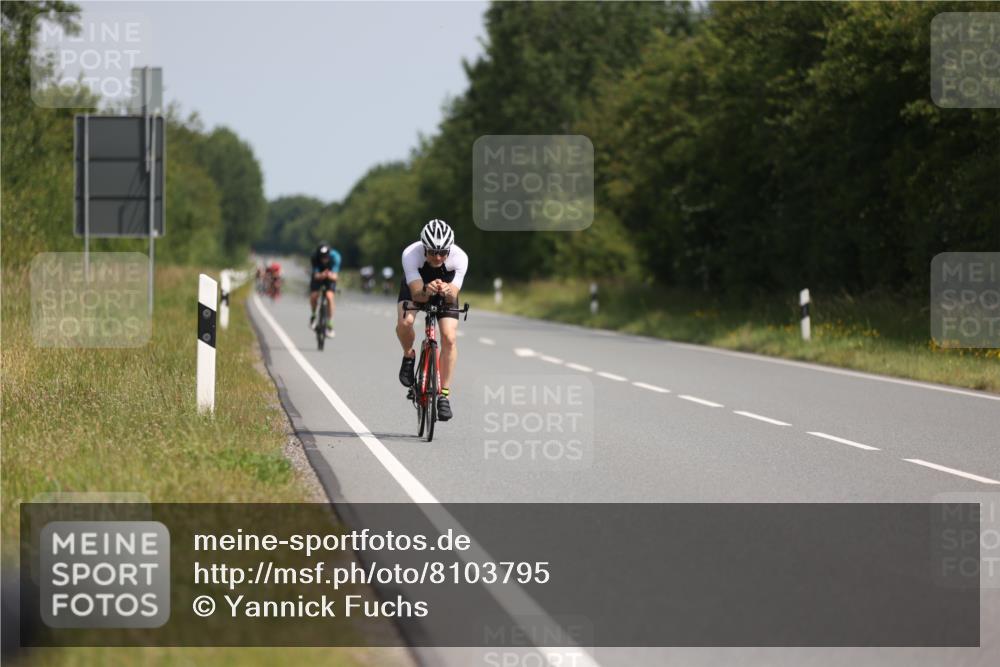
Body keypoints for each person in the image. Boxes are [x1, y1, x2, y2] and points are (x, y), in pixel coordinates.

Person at [395, 219, 468, 421]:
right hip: (417, 287)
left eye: (443, 252)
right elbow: (417, 294)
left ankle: (444, 395)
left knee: (449, 337)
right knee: (405, 322)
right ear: (423, 247)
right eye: (432, 252)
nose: (438, 257)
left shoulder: (460, 257)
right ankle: (408, 355)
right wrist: (427, 289)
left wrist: (446, 290)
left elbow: (453, 295)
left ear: (449, 249)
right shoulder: (411, 254)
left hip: (445, 291)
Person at [309, 242, 342, 337]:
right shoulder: (314, 257)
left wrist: (329, 275)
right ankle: (313, 315)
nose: (324, 259)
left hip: (330, 276)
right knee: (314, 295)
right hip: (319, 275)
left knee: (329, 296)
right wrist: (321, 275)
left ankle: (330, 323)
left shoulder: (336, 257)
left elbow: (336, 276)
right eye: (322, 257)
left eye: (326, 257)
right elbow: (315, 275)